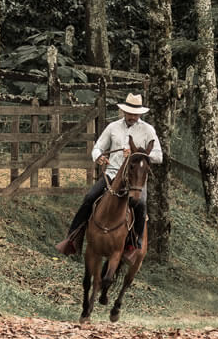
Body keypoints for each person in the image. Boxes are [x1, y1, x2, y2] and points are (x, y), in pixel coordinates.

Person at [55, 93, 163, 257]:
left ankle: (135, 245)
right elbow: (97, 147)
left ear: (140, 114)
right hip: (112, 175)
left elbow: (158, 156)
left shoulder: (148, 130)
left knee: (140, 205)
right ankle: (72, 239)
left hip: (135, 180)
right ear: (124, 112)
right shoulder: (113, 127)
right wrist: (99, 157)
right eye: (130, 113)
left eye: (135, 114)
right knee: (90, 198)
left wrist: (137, 155)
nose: (132, 116)